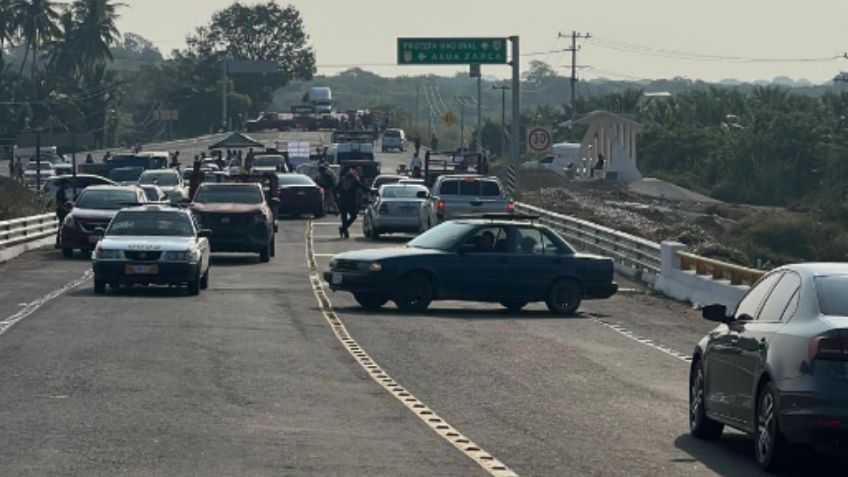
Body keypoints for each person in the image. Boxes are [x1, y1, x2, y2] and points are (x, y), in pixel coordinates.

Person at [336, 168, 368, 239]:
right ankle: (344, 230)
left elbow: (335, 190)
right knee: (354, 216)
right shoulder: (354, 181)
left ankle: (344, 229)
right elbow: (362, 187)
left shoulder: (342, 181)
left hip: (342, 202)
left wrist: (337, 200)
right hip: (351, 202)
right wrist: (370, 190)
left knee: (344, 218)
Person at [55, 182, 70, 247]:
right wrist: (65, 210)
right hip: (61, 211)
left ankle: (59, 242)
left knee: (61, 225)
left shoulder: (62, 191)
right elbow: (60, 203)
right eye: (67, 184)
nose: (68, 185)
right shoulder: (60, 192)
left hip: (62, 210)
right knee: (61, 226)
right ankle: (58, 242)